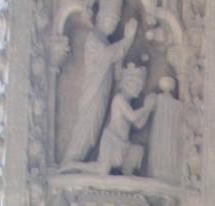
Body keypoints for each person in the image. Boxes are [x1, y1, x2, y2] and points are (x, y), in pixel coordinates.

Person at [60, 0, 139, 168]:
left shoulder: (106, 41)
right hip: (93, 92)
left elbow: (115, 68)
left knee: (94, 129)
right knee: (87, 125)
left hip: (101, 92)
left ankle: (78, 162)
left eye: (116, 21)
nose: (113, 24)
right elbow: (108, 55)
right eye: (111, 19)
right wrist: (128, 39)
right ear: (100, 17)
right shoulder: (94, 37)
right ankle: (71, 159)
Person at [94, 61, 157, 175]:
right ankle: (74, 166)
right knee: (102, 170)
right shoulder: (119, 99)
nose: (140, 88)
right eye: (137, 84)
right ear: (126, 83)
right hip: (111, 141)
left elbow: (139, 124)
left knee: (137, 153)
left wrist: (148, 109)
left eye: (141, 85)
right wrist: (147, 107)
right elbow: (132, 117)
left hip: (124, 144)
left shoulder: (128, 104)